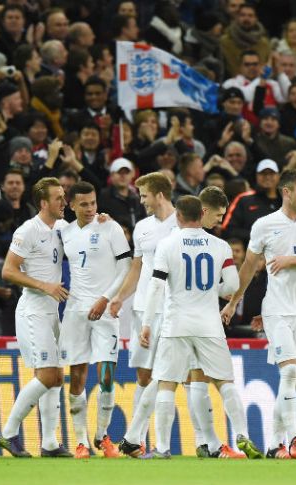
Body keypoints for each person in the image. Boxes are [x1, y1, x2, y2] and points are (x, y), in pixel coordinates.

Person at [120, 196, 262, 459]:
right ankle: (243, 434)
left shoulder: (167, 244)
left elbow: (156, 287)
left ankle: (162, 448)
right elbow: (231, 286)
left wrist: (148, 324)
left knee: (166, 384)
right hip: (210, 324)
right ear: (201, 214)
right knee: (224, 382)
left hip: (177, 324)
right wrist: (211, 290)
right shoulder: (221, 246)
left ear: (178, 217)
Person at [221, 169, 296, 459]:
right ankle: (295, 440)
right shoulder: (264, 225)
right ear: (286, 192)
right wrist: (234, 301)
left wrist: (292, 260)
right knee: (288, 371)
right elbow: (248, 266)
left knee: (292, 381)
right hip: (276, 310)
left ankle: (274, 443)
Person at [0, 177, 73, 458]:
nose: (63, 203)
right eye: (58, 198)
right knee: (47, 375)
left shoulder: (63, 227)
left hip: (52, 311)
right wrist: (45, 286)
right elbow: (8, 270)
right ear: (43, 203)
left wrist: (99, 221)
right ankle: (8, 432)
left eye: (64, 197)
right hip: (33, 310)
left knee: (57, 377)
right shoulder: (28, 230)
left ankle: (50, 443)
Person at [60, 181, 132, 459]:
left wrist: (106, 298)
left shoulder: (110, 227)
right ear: (72, 205)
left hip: (104, 311)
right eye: (84, 204)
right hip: (75, 311)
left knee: (106, 375)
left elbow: (125, 265)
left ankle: (102, 437)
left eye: (93, 203)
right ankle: (80, 442)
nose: (91, 209)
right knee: (76, 375)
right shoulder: (63, 232)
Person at [108, 173, 178, 452]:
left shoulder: (181, 224)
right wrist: (119, 298)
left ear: (159, 195)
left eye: (144, 195)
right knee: (144, 376)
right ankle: (139, 441)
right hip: (142, 309)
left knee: (170, 376)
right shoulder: (142, 227)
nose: (141, 200)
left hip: (172, 308)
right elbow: (137, 268)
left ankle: (199, 442)